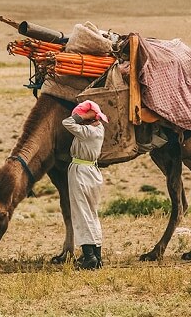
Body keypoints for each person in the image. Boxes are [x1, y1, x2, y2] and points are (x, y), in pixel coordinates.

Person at [62, 100, 108, 270]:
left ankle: (89, 257)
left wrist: (81, 116)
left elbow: (66, 122)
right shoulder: (99, 129)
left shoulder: (86, 131)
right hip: (93, 172)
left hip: (80, 172)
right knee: (92, 213)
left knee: (81, 213)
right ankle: (97, 255)